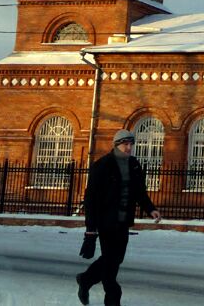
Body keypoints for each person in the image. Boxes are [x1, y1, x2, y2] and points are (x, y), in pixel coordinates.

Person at [76, 129, 161, 306]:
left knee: (115, 259)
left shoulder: (134, 165)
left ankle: (85, 279)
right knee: (111, 260)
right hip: (106, 222)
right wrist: (90, 230)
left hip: (123, 222)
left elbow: (139, 192)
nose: (129, 148)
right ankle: (112, 297)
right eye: (125, 144)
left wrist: (150, 209)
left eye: (131, 144)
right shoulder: (102, 166)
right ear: (116, 145)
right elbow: (90, 199)